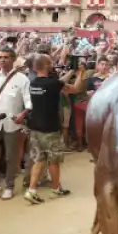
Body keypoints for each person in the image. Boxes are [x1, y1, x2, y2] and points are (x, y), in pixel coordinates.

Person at [24, 55, 86, 204]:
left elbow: (58, 83)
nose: (53, 64)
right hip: (50, 128)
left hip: (35, 128)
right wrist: (80, 74)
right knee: (54, 160)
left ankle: (31, 190)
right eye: (50, 62)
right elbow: (75, 89)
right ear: (46, 66)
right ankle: (56, 188)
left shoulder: (33, 83)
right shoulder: (52, 83)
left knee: (39, 159)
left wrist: (70, 72)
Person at [0, 46, 32, 201]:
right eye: (0, 57)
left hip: (12, 124)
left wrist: (22, 115)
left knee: (11, 157)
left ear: (13, 59)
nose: (2, 60)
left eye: (6, 57)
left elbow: (28, 102)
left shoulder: (23, 79)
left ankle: (9, 186)